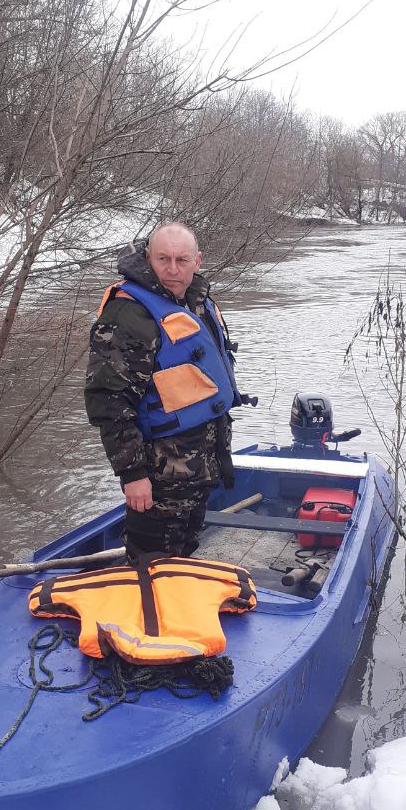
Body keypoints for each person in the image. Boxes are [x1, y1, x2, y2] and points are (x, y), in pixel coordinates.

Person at [85, 222, 240, 560]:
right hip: (159, 478)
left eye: (182, 260)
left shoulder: (195, 301)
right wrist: (133, 475)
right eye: (163, 259)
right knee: (150, 565)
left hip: (199, 468)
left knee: (182, 558)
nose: (172, 269)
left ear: (197, 261)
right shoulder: (129, 314)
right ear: (147, 258)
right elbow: (108, 400)